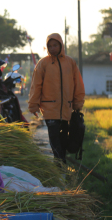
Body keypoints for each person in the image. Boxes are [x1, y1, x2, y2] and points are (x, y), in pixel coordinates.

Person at [28, 33, 85, 163]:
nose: (53, 48)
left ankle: (60, 164)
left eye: (55, 45)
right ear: (47, 47)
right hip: (49, 110)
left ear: (61, 45)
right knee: (54, 138)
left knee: (63, 139)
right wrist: (33, 105)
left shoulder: (70, 63)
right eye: (50, 46)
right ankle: (60, 164)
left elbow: (78, 85)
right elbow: (36, 86)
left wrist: (78, 103)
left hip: (66, 110)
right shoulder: (43, 64)